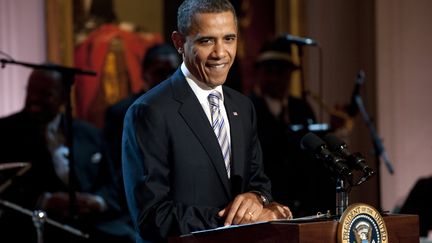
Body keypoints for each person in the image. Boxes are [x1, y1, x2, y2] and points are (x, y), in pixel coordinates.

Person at [122, 0, 292, 242]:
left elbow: (259, 184)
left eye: (229, 39)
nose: (221, 53)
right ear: (179, 42)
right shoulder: (150, 112)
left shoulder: (242, 106)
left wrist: (257, 199)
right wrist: (236, 220)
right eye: (207, 41)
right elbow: (151, 217)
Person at [0, 68, 134, 243]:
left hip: (95, 225)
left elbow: (112, 184)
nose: (35, 98)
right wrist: (45, 201)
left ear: (63, 98)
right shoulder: (6, 133)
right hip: (35, 226)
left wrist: (97, 201)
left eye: (45, 94)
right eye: (31, 91)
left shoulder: (89, 134)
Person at [249, 37, 335, 217]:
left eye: (281, 72)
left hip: (305, 203)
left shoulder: (302, 108)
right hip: (269, 202)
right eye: (269, 71)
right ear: (259, 72)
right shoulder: (248, 108)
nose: (274, 78)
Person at [104, 43, 181, 173]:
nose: (168, 79)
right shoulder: (121, 113)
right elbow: (115, 166)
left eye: (173, 72)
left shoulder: (188, 109)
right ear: (145, 74)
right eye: (160, 72)